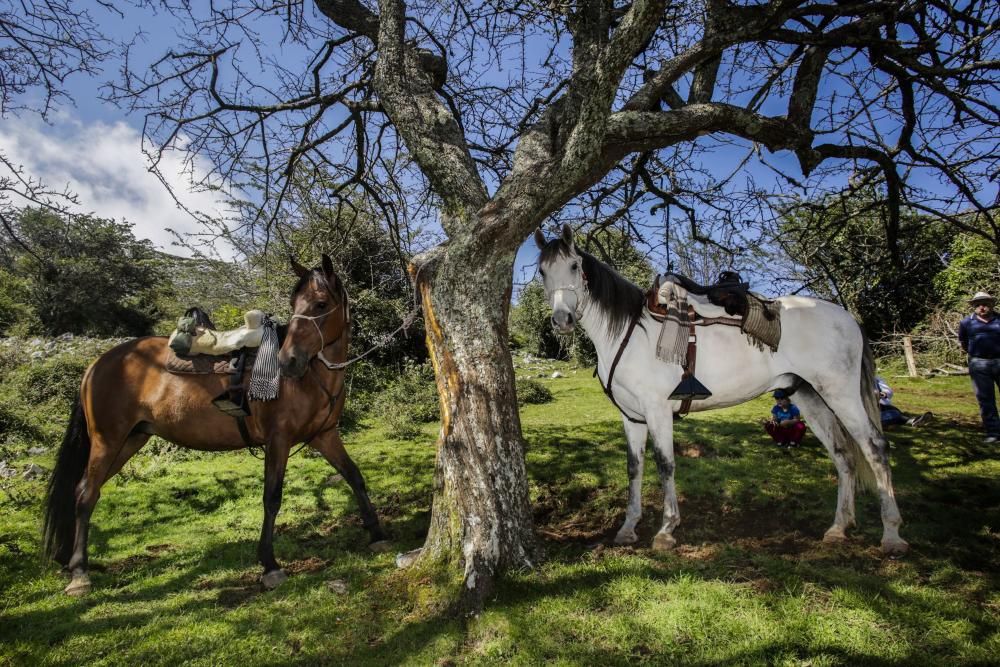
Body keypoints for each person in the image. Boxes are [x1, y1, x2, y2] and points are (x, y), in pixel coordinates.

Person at [958, 291, 1000, 443]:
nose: (982, 307)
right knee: (985, 399)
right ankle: (994, 433)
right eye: (978, 305)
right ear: (974, 306)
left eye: (985, 304)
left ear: (991, 305)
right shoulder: (966, 322)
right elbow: (963, 342)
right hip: (979, 363)